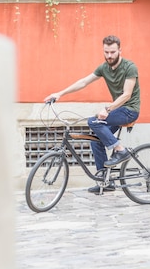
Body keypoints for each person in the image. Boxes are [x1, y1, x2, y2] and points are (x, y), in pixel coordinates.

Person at [44, 35, 141, 193]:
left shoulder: (130, 67)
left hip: (130, 110)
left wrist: (107, 109)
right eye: (106, 52)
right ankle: (106, 182)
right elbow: (83, 82)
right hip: (117, 110)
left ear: (119, 51)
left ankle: (120, 150)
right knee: (96, 141)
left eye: (113, 52)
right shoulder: (104, 68)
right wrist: (60, 93)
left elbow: (127, 95)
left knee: (94, 121)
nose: (109, 55)